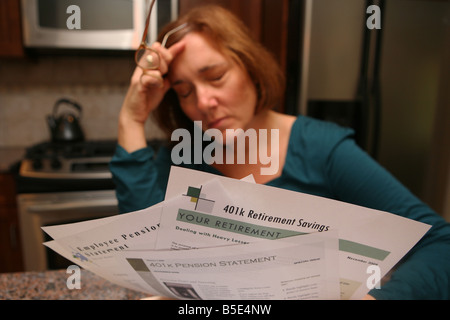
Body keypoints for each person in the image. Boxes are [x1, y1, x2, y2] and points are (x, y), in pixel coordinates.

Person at [110, 5, 450, 300]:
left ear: (250, 67)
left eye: (215, 77)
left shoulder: (319, 148)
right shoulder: (186, 153)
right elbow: (146, 252)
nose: (202, 103)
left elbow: (439, 244)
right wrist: (131, 118)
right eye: (184, 92)